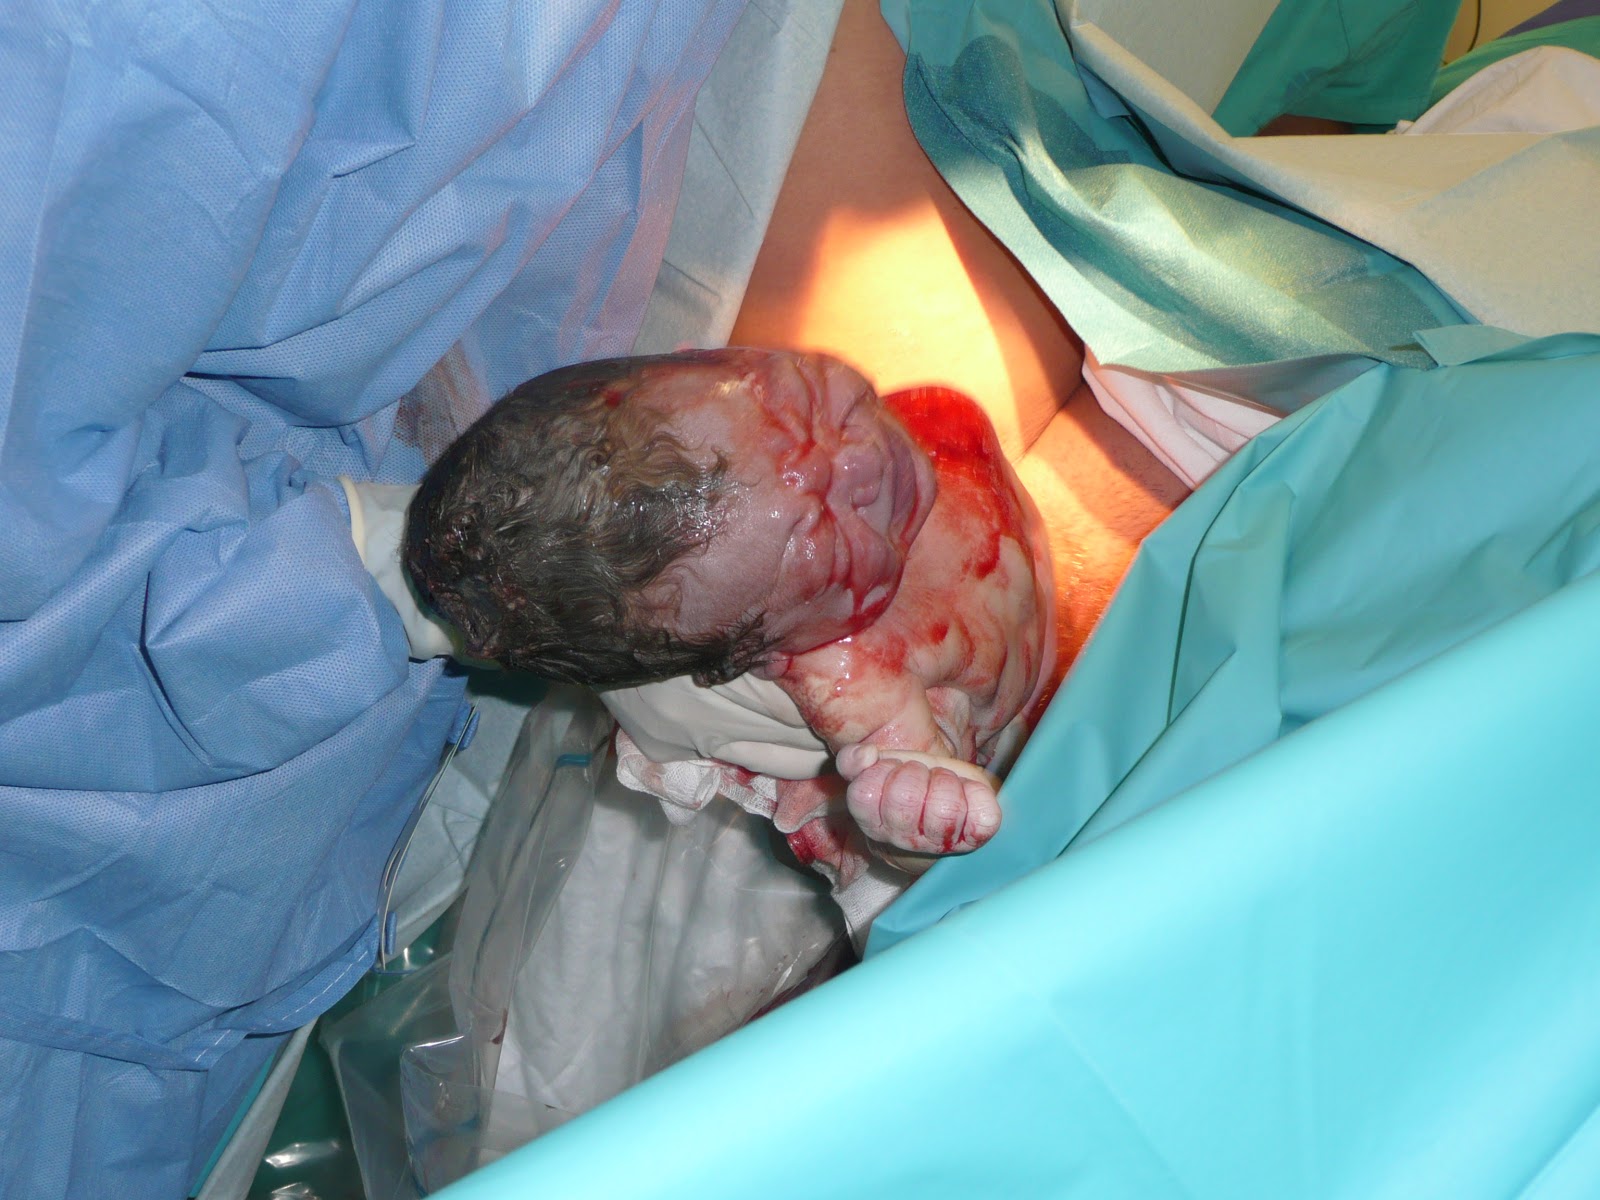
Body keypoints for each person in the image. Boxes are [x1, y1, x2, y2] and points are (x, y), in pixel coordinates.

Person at [405, 343, 1054, 872]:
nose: (861, 460)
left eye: (803, 405)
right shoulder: (856, 676)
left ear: (712, 355)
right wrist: (916, 815)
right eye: (820, 532)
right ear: (763, 653)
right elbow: (921, 805)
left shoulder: (733, 433)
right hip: (1028, 677)